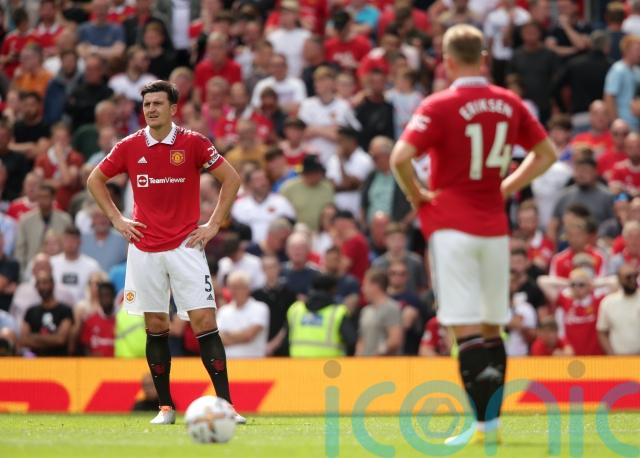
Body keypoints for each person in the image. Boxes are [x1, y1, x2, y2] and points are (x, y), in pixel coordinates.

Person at [390, 25, 555, 445]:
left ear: (446, 61)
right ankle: (492, 425)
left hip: (451, 226)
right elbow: (547, 154)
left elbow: (399, 157)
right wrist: (508, 187)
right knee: (492, 325)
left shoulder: (439, 104)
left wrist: (416, 195)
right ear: (484, 58)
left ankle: (481, 426)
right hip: (495, 227)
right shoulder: (509, 102)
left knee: (464, 328)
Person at [86, 80, 243, 424]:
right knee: (155, 324)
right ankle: (165, 408)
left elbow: (231, 179)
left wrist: (214, 224)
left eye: (157, 103)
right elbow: (94, 179)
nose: (151, 109)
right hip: (144, 248)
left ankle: (227, 406)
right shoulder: (129, 146)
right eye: (146, 104)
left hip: (186, 246)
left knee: (205, 322)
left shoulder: (193, 143)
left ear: (173, 109)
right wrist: (117, 219)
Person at [287, 274, 356, 357]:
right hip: (329, 364)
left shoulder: (295, 309)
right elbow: (351, 341)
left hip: (298, 363)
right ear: (333, 290)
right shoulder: (338, 312)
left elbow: (285, 339)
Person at [14, 184, 72, 273]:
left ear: (53, 198)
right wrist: (22, 274)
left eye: (45, 197)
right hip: (32, 269)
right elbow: (20, 250)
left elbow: (68, 246)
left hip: (60, 269)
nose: (42, 200)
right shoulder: (25, 220)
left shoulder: (65, 220)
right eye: (39, 197)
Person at [19, 271, 73, 357]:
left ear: (52, 284)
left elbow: (61, 339)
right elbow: (24, 340)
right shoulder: (31, 311)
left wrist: (34, 337)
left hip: (59, 360)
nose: (41, 287)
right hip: (35, 360)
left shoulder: (65, 310)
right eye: (38, 283)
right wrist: (52, 339)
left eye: (45, 282)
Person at [217, 270, 270, 358]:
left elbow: (248, 335)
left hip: (253, 363)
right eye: (232, 287)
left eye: (238, 287)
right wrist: (241, 335)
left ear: (248, 288)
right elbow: (218, 340)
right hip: (229, 363)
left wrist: (227, 335)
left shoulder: (260, 308)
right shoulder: (223, 311)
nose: (234, 291)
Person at [252, 255, 297, 356]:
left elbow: (290, 320)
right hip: (261, 345)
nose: (270, 270)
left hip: (284, 346)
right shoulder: (256, 295)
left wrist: (274, 343)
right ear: (262, 270)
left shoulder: (289, 294)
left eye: (273, 266)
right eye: (267, 267)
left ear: (279, 268)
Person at [356, 268, 403, 356]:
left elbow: (395, 339)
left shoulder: (391, 308)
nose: (362, 289)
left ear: (375, 286)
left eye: (365, 285)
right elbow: (361, 340)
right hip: (366, 363)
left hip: (385, 363)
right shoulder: (365, 311)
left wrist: (377, 354)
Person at [50, 226, 101, 305]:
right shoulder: (52, 263)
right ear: (62, 241)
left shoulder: (92, 266)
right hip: (57, 308)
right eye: (67, 239)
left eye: (73, 239)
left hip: (83, 308)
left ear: (80, 241)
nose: (70, 243)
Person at [597, 264, 640, 355]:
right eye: (628, 277)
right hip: (620, 357)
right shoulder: (608, 302)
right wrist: (611, 353)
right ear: (620, 279)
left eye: (635, 275)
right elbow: (602, 331)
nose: (633, 279)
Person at [79, 281, 117, 356]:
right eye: (102, 296)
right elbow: (85, 347)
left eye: (107, 295)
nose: (105, 299)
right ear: (99, 298)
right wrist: (91, 357)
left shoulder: (120, 320)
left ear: (113, 296)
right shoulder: (90, 321)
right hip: (95, 363)